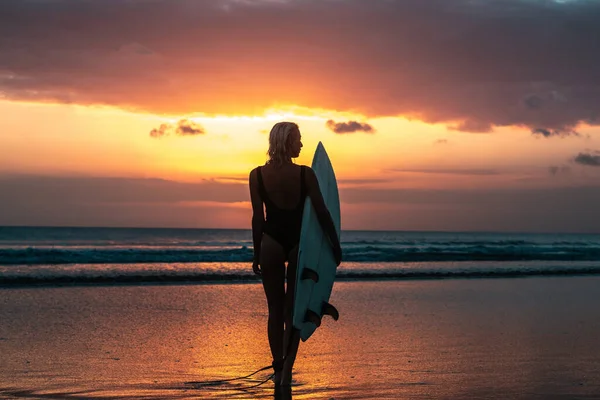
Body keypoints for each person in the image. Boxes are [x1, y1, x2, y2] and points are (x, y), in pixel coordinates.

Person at [249, 121, 342, 386]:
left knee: (274, 310)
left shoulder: (256, 175)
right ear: (287, 141)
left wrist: (257, 253)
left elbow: (258, 218)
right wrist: (335, 245)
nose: (301, 144)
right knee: (293, 309)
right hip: (297, 243)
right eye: (298, 140)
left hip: (270, 242)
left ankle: (278, 369)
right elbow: (322, 214)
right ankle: (288, 366)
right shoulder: (305, 174)